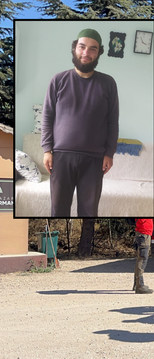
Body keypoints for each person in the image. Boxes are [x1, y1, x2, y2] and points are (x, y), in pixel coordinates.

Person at [41, 28, 119, 217]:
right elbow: (47, 116)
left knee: (89, 213)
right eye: (82, 47)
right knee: (58, 211)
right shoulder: (58, 80)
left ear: (99, 52)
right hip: (61, 157)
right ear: (74, 48)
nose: (86, 52)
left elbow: (113, 121)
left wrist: (109, 153)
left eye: (92, 49)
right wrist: (46, 150)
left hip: (94, 160)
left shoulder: (108, 83)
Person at [133, 185, 154, 294]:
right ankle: (140, 286)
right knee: (142, 258)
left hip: (145, 233)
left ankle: (137, 284)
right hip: (143, 233)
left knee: (141, 258)